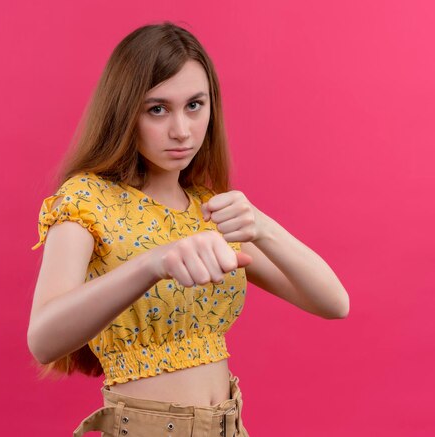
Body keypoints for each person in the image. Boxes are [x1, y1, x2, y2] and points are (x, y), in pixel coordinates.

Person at [28, 21, 349, 437]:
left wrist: (263, 227)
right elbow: (43, 339)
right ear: (125, 111)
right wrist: (152, 263)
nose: (182, 130)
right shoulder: (87, 200)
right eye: (157, 109)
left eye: (195, 105)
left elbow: (335, 303)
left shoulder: (207, 210)